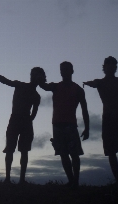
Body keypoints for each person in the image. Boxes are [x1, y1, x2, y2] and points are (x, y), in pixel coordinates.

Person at [83, 56, 118, 184]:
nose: (111, 67)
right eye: (108, 65)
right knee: (111, 150)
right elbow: (94, 83)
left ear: (115, 67)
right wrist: (88, 83)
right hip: (108, 118)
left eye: (113, 65)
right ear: (104, 67)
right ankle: (117, 180)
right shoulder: (100, 82)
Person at [0, 67, 46, 184]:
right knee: (10, 149)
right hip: (16, 121)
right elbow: (5, 81)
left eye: (37, 75)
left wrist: (28, 122)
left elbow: (34, 113)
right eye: (34, 75)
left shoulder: (36, 96)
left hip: (24, 122)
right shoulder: (21, 85)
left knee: (23, 151)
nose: (35, 77)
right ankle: (8, 178)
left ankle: (21, 179)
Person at [38, 61, 89, 189]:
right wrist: (39, 76)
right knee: (63, 154)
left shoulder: (78, 90)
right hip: (57, 125)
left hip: (70, 125)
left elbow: (84, 110)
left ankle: (75, 181)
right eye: (62, 69)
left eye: (66, 69)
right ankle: (71, 180)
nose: (64, 72)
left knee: (74, 154)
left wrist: (87, 128)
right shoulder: (56, 86)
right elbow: (43, 86)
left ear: (72, 71)